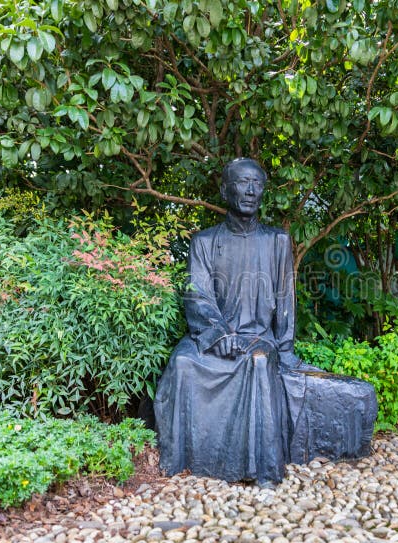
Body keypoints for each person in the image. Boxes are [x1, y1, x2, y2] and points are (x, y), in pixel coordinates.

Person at [154, 158, 376, 487]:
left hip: (258, 338)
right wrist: (218, 334)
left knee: (258, 365)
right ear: (224, 189)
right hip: (213, 338)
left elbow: (285, 298)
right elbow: (197, 295)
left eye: (257, 184)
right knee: (184, 363)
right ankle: (186, 457)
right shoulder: (204, 242)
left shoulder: (276, 241)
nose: (251, 191)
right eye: (243, 183)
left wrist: (284, 350)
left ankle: (261, 468)